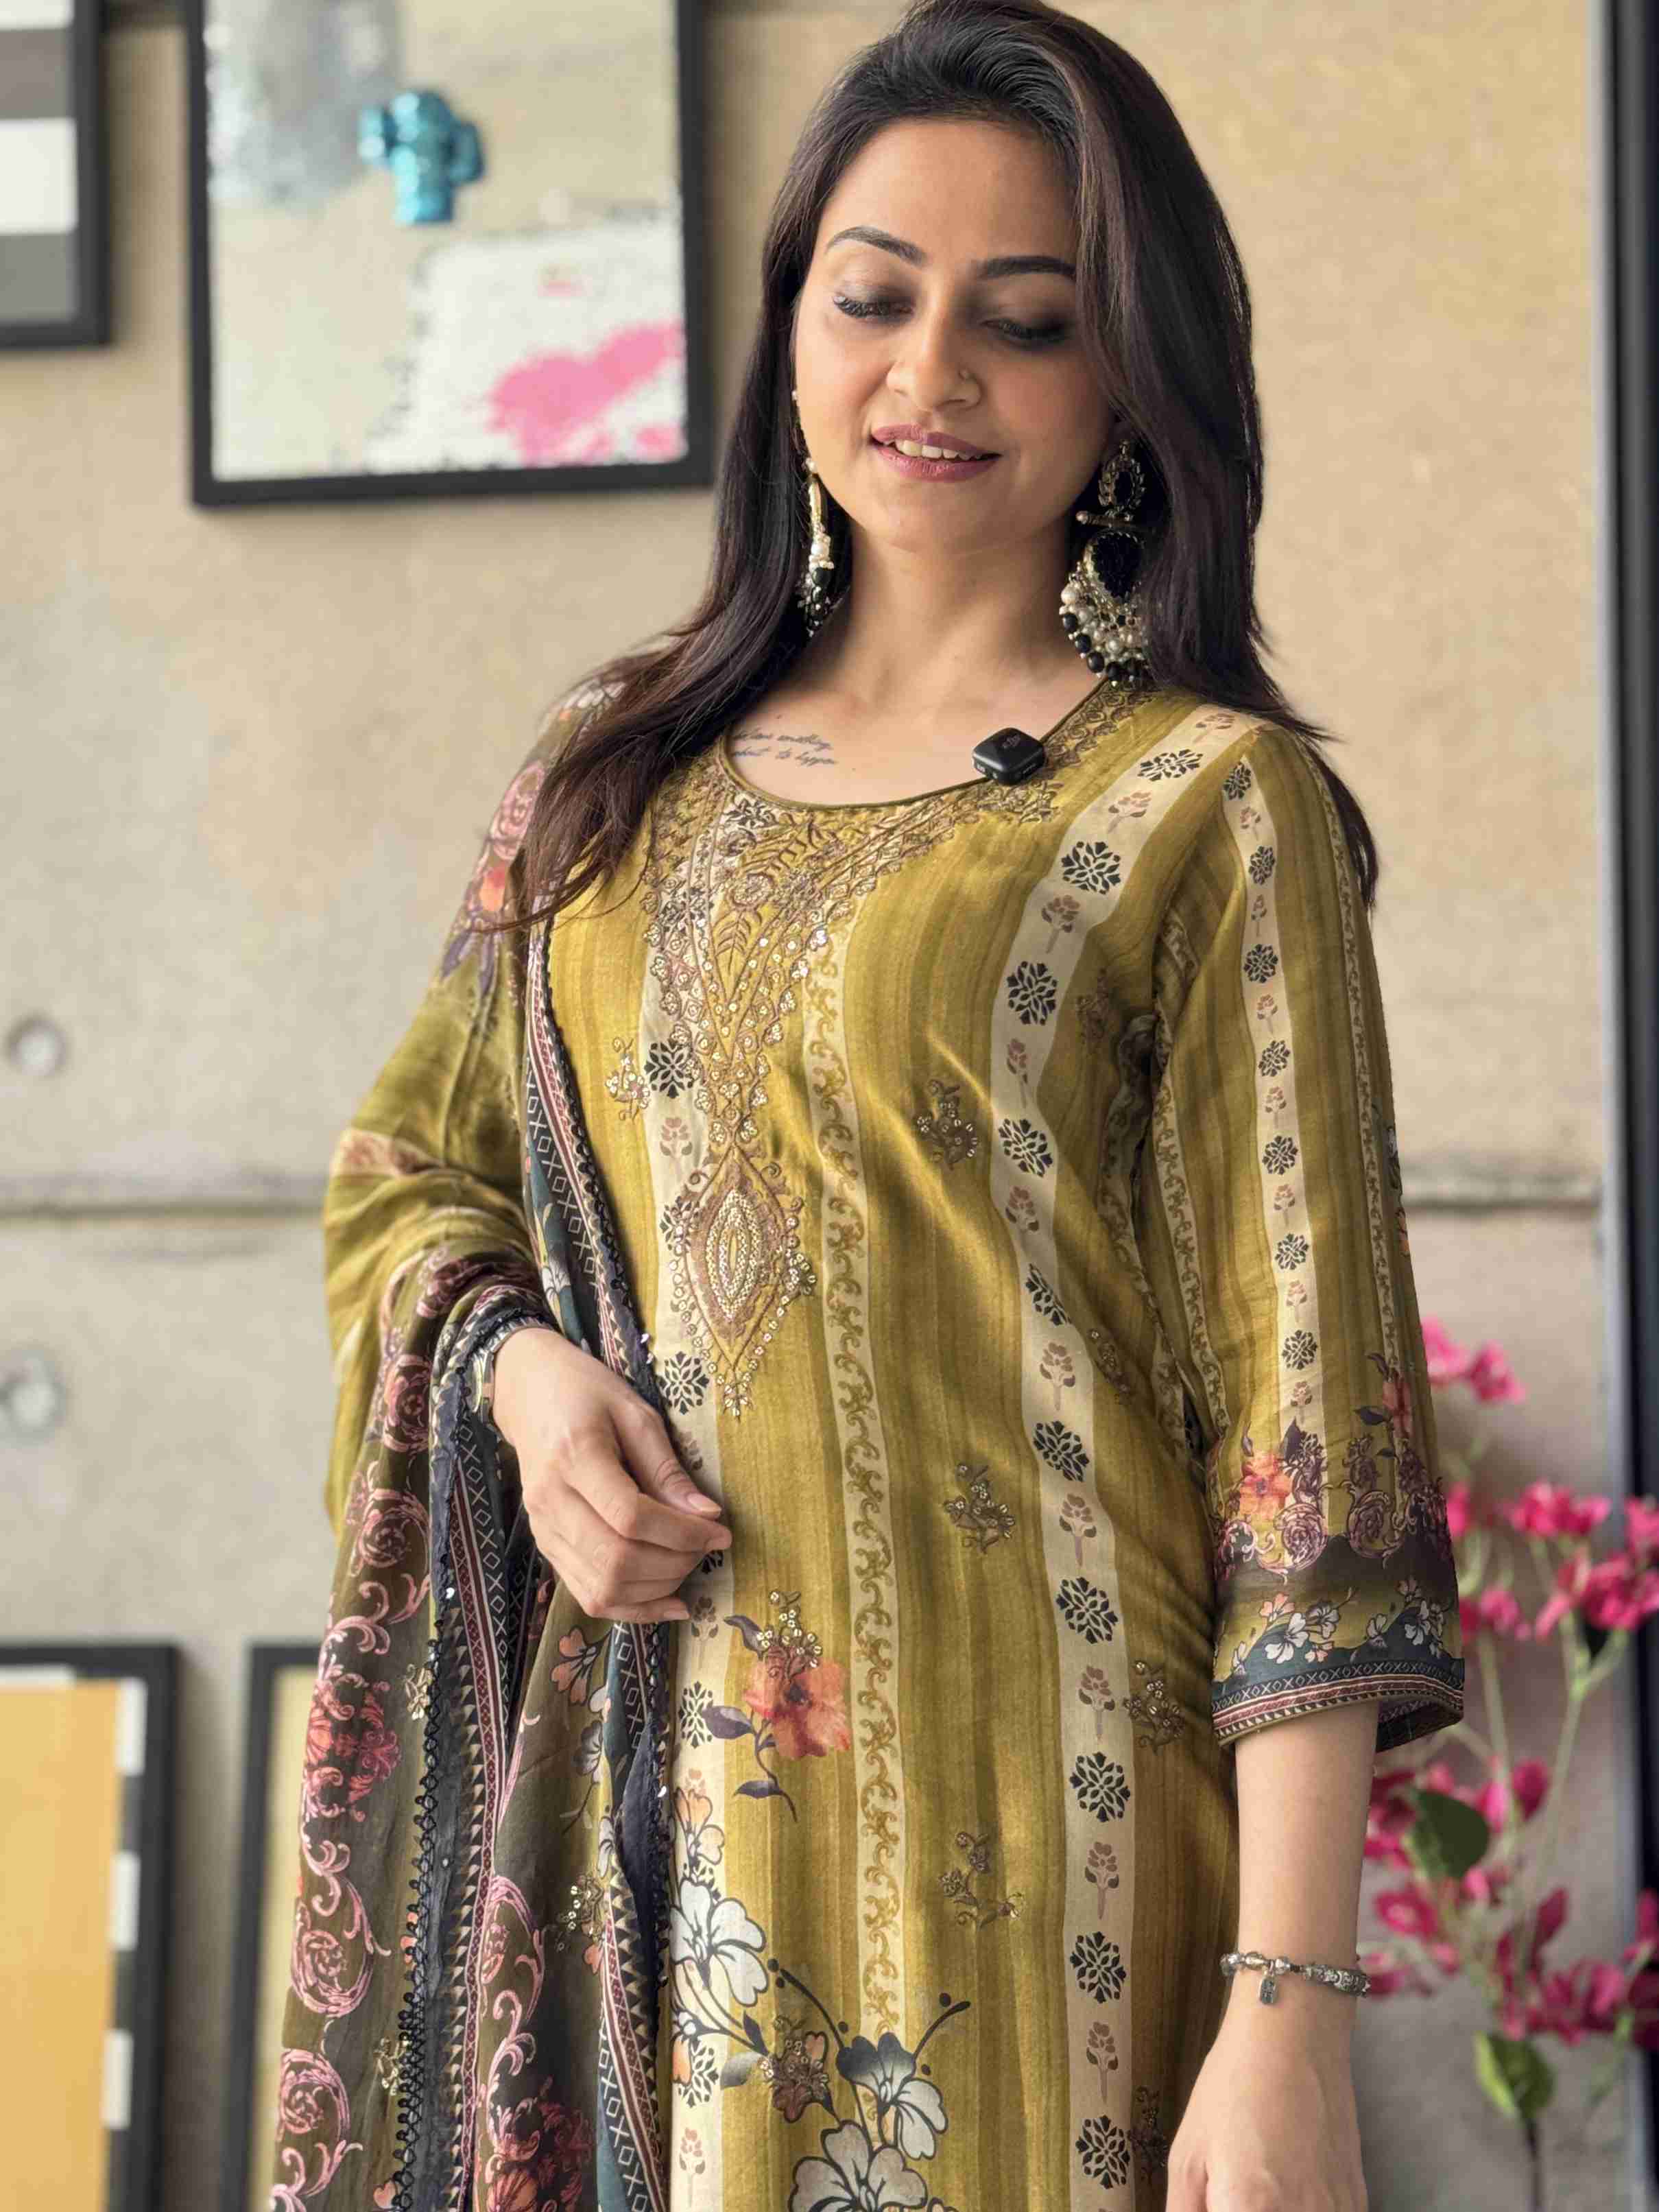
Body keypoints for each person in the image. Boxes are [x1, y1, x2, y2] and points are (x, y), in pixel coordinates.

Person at [271, 3, 1464, 2207]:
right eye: (873, 297)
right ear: (789, 330)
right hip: (635, 1859)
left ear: (1127, 382)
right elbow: (410, 1172)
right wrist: (522, 1384)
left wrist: (1284, 2015)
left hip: (1043, 1877)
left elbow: (1308, 1454)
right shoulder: (609, 781)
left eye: (1024, 320)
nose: (932, 375)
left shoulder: (1204, 804)